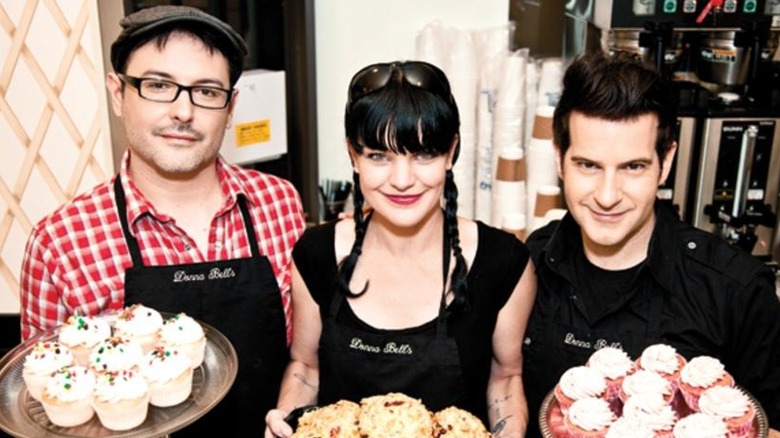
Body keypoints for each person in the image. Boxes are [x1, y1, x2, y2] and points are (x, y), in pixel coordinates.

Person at [19, 5, 306, 435]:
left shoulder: (278, 203)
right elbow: (46, 406)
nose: (183, 112)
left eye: (207, 92)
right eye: (158, 86)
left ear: (231, 109)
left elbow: (306, 361)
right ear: (118, 93)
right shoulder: (60, 241)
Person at [264, 61, 536, 438]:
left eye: (423, 154)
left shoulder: (502, 262)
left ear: (451, 152)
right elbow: (305, 367)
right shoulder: (316, 254)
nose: (403, 180)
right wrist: (287, 419)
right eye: (379, 156)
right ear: (353, 157)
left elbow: (505, 378)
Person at [522, 50, 780, 437]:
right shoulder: (528, 264)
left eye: (633, 167)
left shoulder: (737, 292)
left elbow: (768, 427)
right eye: (588, 165)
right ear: (559, 159)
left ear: (667, 162)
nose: (607, 196)